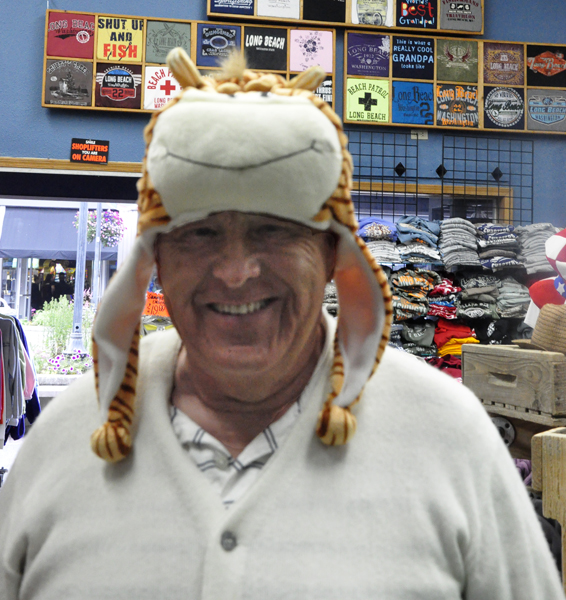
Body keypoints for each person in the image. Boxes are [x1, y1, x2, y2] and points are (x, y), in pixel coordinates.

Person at [0, 49, 563, 600]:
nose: (238, 272)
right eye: (200, 232)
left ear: (330, 254)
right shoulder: (65, 443)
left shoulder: (451, 440)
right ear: (156, 258)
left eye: (273, 230)